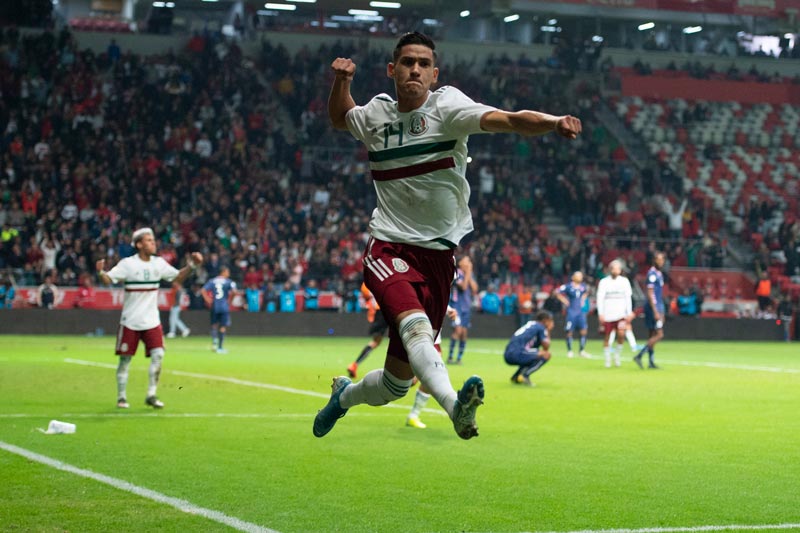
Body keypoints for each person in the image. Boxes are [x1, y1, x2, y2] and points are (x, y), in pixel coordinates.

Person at [314, 31, 581, 440]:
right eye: (407, 62)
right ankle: (456, 407)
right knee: (417, 329)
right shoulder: (376, 116)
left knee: (394, 385)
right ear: (392, 70)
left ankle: (343, 396)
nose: (415, 69)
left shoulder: (448, 108)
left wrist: (553, 122)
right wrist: (342, 81)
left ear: (434, 73)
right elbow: (339, 117)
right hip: (388, 245)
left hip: (439, 258)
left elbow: (508, 120)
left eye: (423, 63)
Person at [96, 227, 203, 409]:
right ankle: (122, 397)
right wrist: (100, 272)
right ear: (139, 244)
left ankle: (151, 394)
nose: (153, 243)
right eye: (148, 240)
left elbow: (177, 277)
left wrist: (193, 265)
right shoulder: (128, 264)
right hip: (130, 320)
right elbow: (109, 280)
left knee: (159, 355)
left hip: (152, 321)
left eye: (153, 240)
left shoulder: (158, 263)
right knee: (125, 360)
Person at [405, 306, 459, 429]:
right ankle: (381, 387)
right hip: (420, 337)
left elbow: (438, 297)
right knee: (410, 381)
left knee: (431, 379)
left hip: (434, 340)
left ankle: (413, 415)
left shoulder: (439, 289)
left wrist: (449, 309)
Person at [597, 260, 634, 369]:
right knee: (607, 337)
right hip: (608, 314)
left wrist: (629, 312)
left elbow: (628, 298)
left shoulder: (624, 281)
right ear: (610, 269)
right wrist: (601, 313)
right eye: (613, 268)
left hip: (620, 314)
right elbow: (600, 298)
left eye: (618, 268)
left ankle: (617, 355)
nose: (615, 270)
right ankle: (607, 358)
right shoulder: (604, 282)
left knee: (621, 334)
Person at [347, 283, 389, 379]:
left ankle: (354, 365)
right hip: (389, 308)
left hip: (377, 312)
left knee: (375, 342)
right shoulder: (383, 276)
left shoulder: (364, 285)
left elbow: (368, 298)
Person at [503, 310, 554, 387]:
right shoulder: (541, 327)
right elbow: (546, 347)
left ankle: (516, 377)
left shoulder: (531, 324)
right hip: (518, 353)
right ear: (545, 320)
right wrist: (548, 330)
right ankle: (525, 376)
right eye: (550, 320)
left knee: (533, 355)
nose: (552, 322)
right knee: (546, 355)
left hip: (508, 354)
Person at [635, 252, 666, 369]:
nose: (661, 262)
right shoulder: (652, 274)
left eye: (662, 259)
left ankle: (651, 362)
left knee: (652, 334)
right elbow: (650, 293)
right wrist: (656, 311)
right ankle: (639, 355)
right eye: (658, 259)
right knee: (659, 334)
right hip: (653, 307)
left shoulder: (659, 273)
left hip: (657, 306)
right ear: (654, 260)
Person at [448, 256, 478, 364]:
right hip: (457, 306)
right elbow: (464, 286)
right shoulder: (458, 273)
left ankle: (459, 358)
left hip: (466, 307)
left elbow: (474, 289)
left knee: (464, 333)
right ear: (460, 263)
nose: (469, 263)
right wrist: (468, 272)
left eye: (469, 261)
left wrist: (469, 274)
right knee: (458, 331)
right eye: (467, 261)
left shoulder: (469, 274)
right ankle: (450, 357)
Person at [556, 271, 591, 359]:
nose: (580, 278)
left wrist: (583, 299)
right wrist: (564, 300)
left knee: (584, 331)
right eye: (578, 276)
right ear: (573, 277)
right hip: (571, 312)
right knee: (569, 331)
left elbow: (587, 292)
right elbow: (557, 292)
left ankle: (581, 350)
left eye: (581, 276)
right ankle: (570, 351)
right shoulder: (568, 286)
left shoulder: (583, 286)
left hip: (581, 312)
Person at [202, 266, 236, 354]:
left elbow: (203, 290)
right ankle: (220, 347)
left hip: (215, 305)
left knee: (214, 325)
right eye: (227, 272)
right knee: (223, 326)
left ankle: (214, 342)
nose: (228, 274)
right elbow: (235, 292)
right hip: (224, 306)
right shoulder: (229, 282)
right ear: (223, 272)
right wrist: (230, 301)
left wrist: (208, 300)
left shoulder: (212, 281)